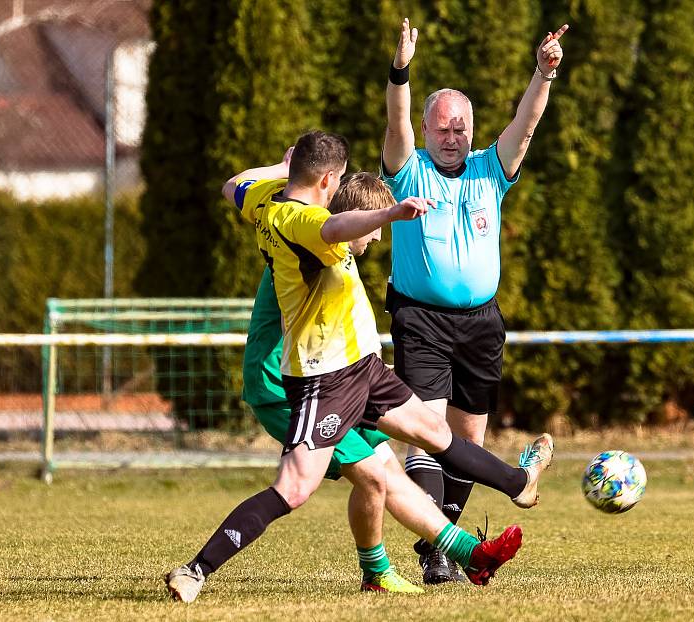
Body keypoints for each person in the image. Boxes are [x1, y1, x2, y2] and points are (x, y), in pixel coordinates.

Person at [165, 130, 553, 602]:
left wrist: (279, 169)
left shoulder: (267, 198)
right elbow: (333, 229)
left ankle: (508, 502)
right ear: (328, 180)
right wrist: (391, 213)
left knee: (430, 436)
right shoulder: (301, 220)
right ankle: (195, 570)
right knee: (296, 487)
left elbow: (233, 185)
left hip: (362, 368)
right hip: (324, 379)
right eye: (340, 180)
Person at [381, 18, 568, 584]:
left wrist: (543, 73)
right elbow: (395, 126)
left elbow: (526, 124)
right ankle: (438, 550)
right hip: (421, 319)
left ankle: (446, 549)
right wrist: (401, 71)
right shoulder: (408, 170)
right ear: (427, 129)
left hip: (482, 323)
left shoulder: (491, 169)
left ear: (471, 130)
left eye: (461, 127)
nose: (452, 136)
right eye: (442, 127)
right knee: (424, 433)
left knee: (468, 441)